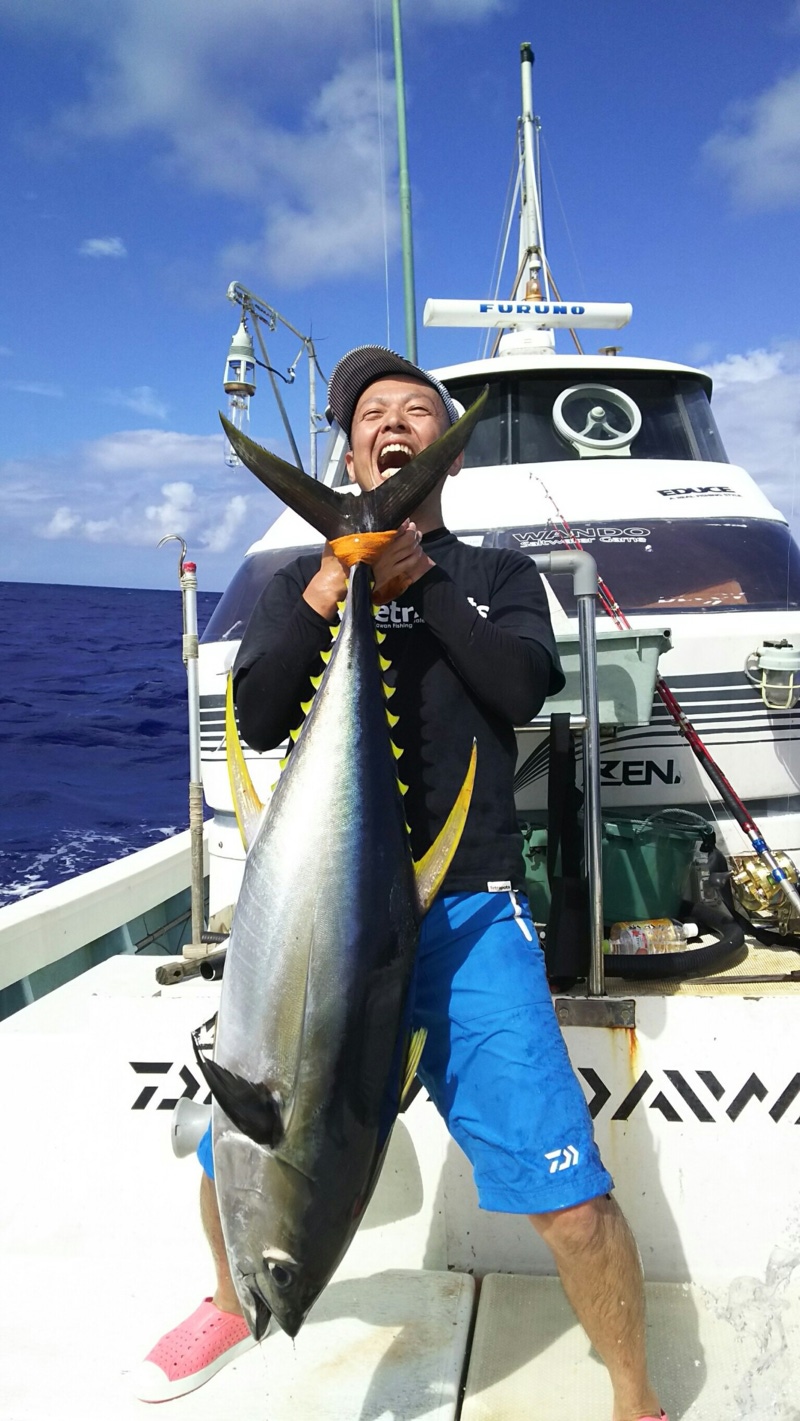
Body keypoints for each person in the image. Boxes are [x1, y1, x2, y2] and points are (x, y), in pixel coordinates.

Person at [134, 346, 667, 1421]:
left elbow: (520, 690)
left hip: (463, 918)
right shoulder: (303, 583)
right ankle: (237, 1295)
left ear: (444, 459)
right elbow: (258, 712)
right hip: (320, 920)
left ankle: (633, 1394)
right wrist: (337, 574)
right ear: (346, 449)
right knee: (240, 1136)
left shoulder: (492, 577)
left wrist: (413, 573)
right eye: (371, 412)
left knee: (568, 1198)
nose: (392, 422)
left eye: (416, 413)